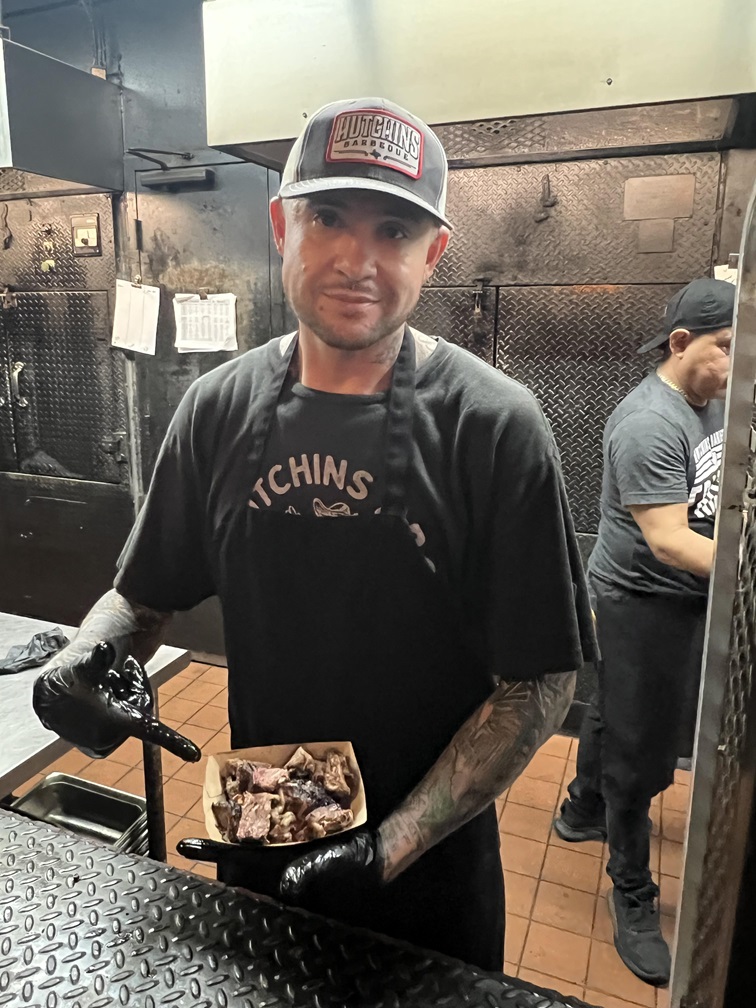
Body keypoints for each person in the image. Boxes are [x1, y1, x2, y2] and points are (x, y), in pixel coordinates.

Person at [34, 97, 593, 971]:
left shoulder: (495, 425)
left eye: (395, 230)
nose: (356, 258)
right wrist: (87, 655)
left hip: (429, 872)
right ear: (281, 226)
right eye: (327, 216)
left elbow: (543, 682)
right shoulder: (216, 409)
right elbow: (145, 594)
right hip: (268, 827)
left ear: (433, 253)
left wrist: (388, 850)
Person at [554, 278, 735, 986]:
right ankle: (631, 890)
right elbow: (668, 539)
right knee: (643, 752)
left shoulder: (715, 399)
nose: (736, 363)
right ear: (682, 343)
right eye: (726, 348)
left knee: (619, 711)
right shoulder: (648, 422)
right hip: (639, 597)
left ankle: (579, 810)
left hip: (680, 597)